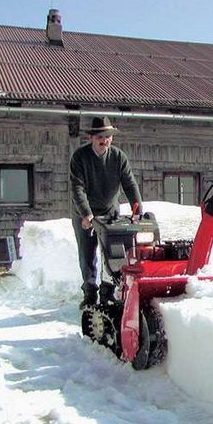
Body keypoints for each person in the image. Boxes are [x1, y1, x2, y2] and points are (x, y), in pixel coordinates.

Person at [70, 116, 143, 308]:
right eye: (101, 137)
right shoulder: (80, 158)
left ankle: (108, 291)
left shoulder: (118, 157)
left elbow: (129, 184)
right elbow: (78, 189)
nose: (105, 140)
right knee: (87, 254)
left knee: (114, 254)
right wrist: (86, 215)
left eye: (108, 137)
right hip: (85, 212)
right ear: (92, 138)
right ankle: (89, 292)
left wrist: (137, 209)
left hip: (110, 212)